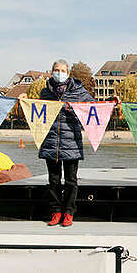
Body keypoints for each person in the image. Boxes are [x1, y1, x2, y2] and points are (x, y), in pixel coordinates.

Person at [38, 59, 94, 227]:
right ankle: (56, 211)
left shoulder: (78, 90)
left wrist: (111, 101)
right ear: (51, 71)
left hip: (71, 141)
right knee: (53, 180)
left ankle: (69, 212)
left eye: (62, 70)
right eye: (56, 70)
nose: (59, 73)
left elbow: (94, 105)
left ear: (68, 73)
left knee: (71, 180)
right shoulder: (45, 92)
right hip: (51, 141)